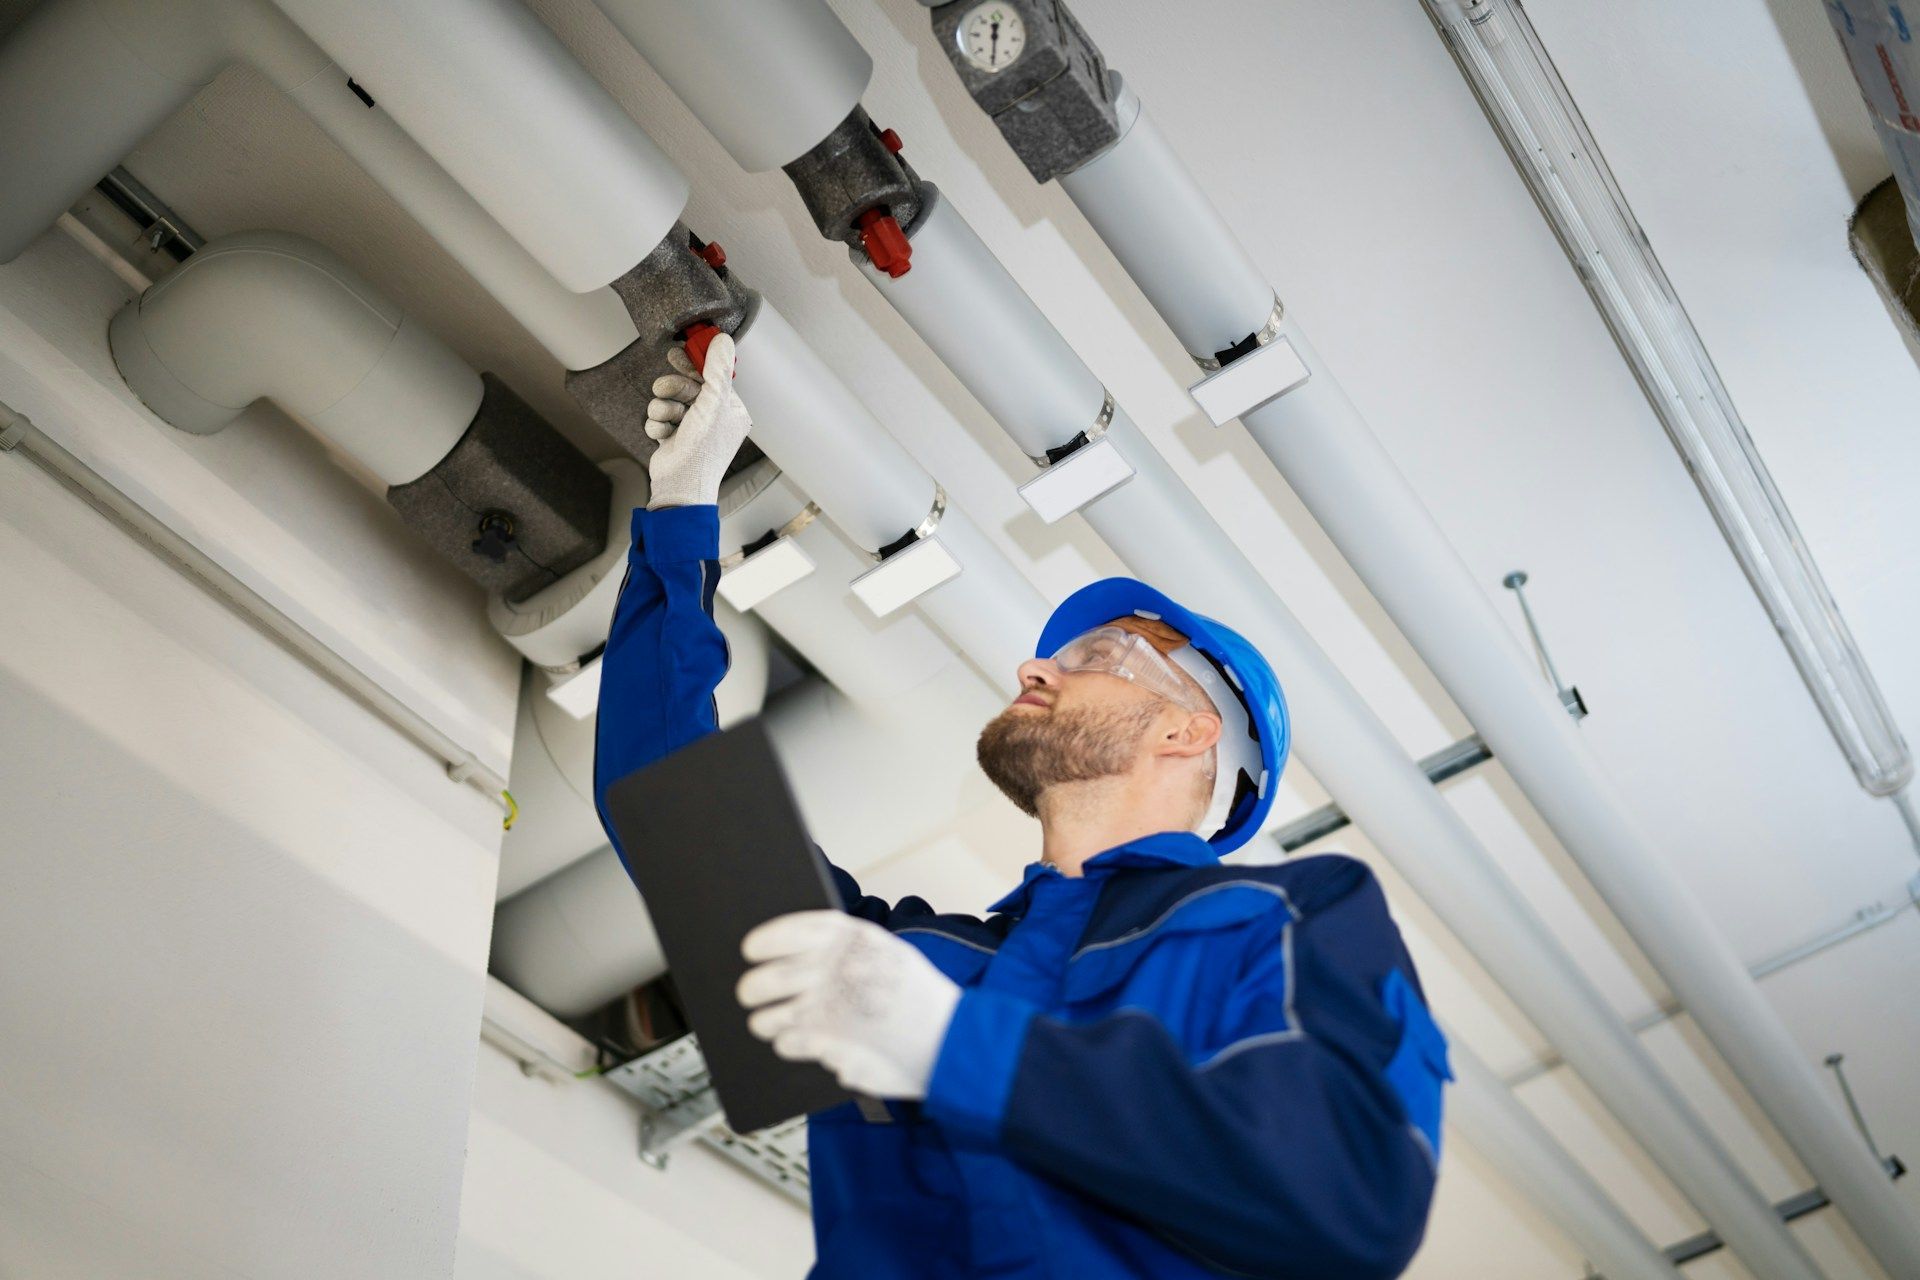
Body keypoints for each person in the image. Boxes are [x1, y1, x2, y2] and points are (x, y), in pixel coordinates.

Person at [594, 335, 1451, 1279]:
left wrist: (956, 1050)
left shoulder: (1288, 923)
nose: (1036, 666)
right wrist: (680, 515)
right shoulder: (908, 964)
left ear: (1191, 731)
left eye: (1097, 657)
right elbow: (671, 807)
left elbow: (1353, 1197)